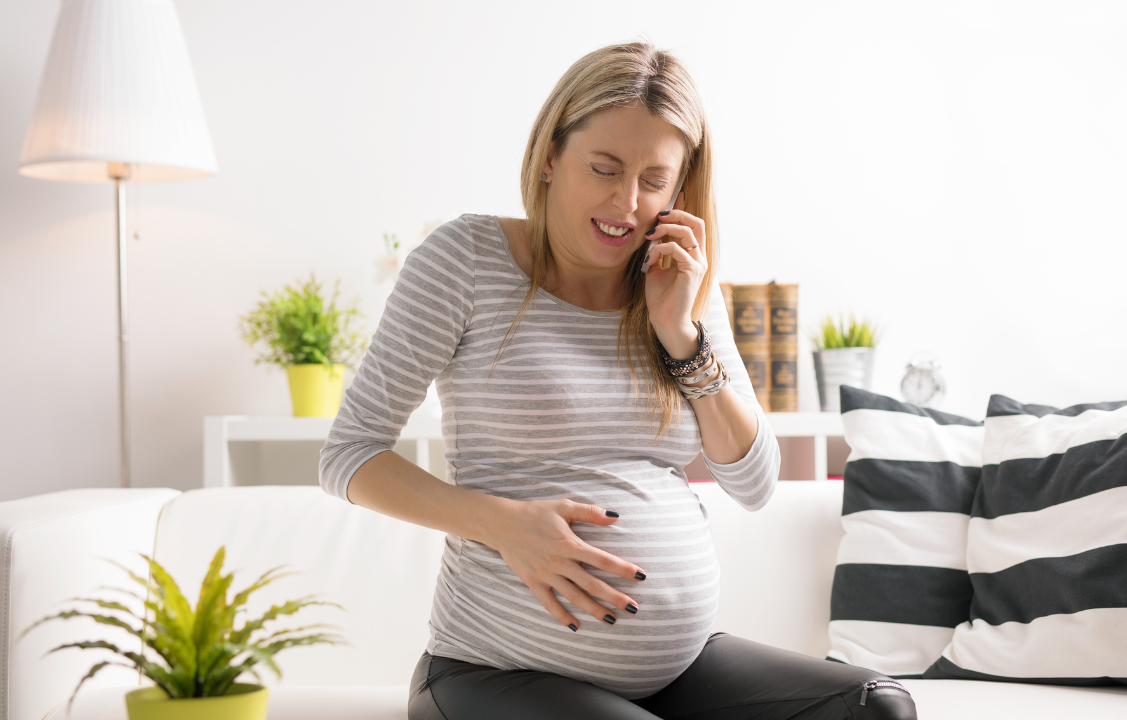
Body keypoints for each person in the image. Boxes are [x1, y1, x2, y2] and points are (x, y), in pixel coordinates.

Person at [319, 41, 916, 720]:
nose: (626, 203)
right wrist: (506, 526)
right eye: (603, 169)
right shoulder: (465, 260)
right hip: (492, 671)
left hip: (675, 671)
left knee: (876, 709)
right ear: (550, 156)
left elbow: (752, 481)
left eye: (654, 180)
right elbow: (349, 454)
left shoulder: (681, 282)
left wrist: (679, 334)